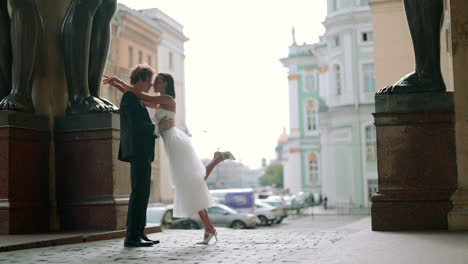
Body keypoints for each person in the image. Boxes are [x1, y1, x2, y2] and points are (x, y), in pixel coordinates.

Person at [104, 71, 235, 245]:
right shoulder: (158, 103)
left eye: (157, 81)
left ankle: (216, 159)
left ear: (166, 83)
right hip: (171, 144)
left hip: (176, 143)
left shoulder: (168, 99)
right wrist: (118, 86)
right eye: (154, 81)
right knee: (189, 184)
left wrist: (119, 82)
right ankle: (209, 228)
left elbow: (140, 94)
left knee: (193, 181)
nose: (154, 84)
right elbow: (137, 98)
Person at [116, 65, 171, 247]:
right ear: (140, 79)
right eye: (148, 81)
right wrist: (159, 128)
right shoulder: (130, 98)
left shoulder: (136, 99)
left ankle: (139, 233)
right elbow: (136, 127)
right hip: (138, 151)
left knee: (143, 194)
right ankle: (131, 237)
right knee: (138, 194)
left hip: (143, 152)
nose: (150, 85)